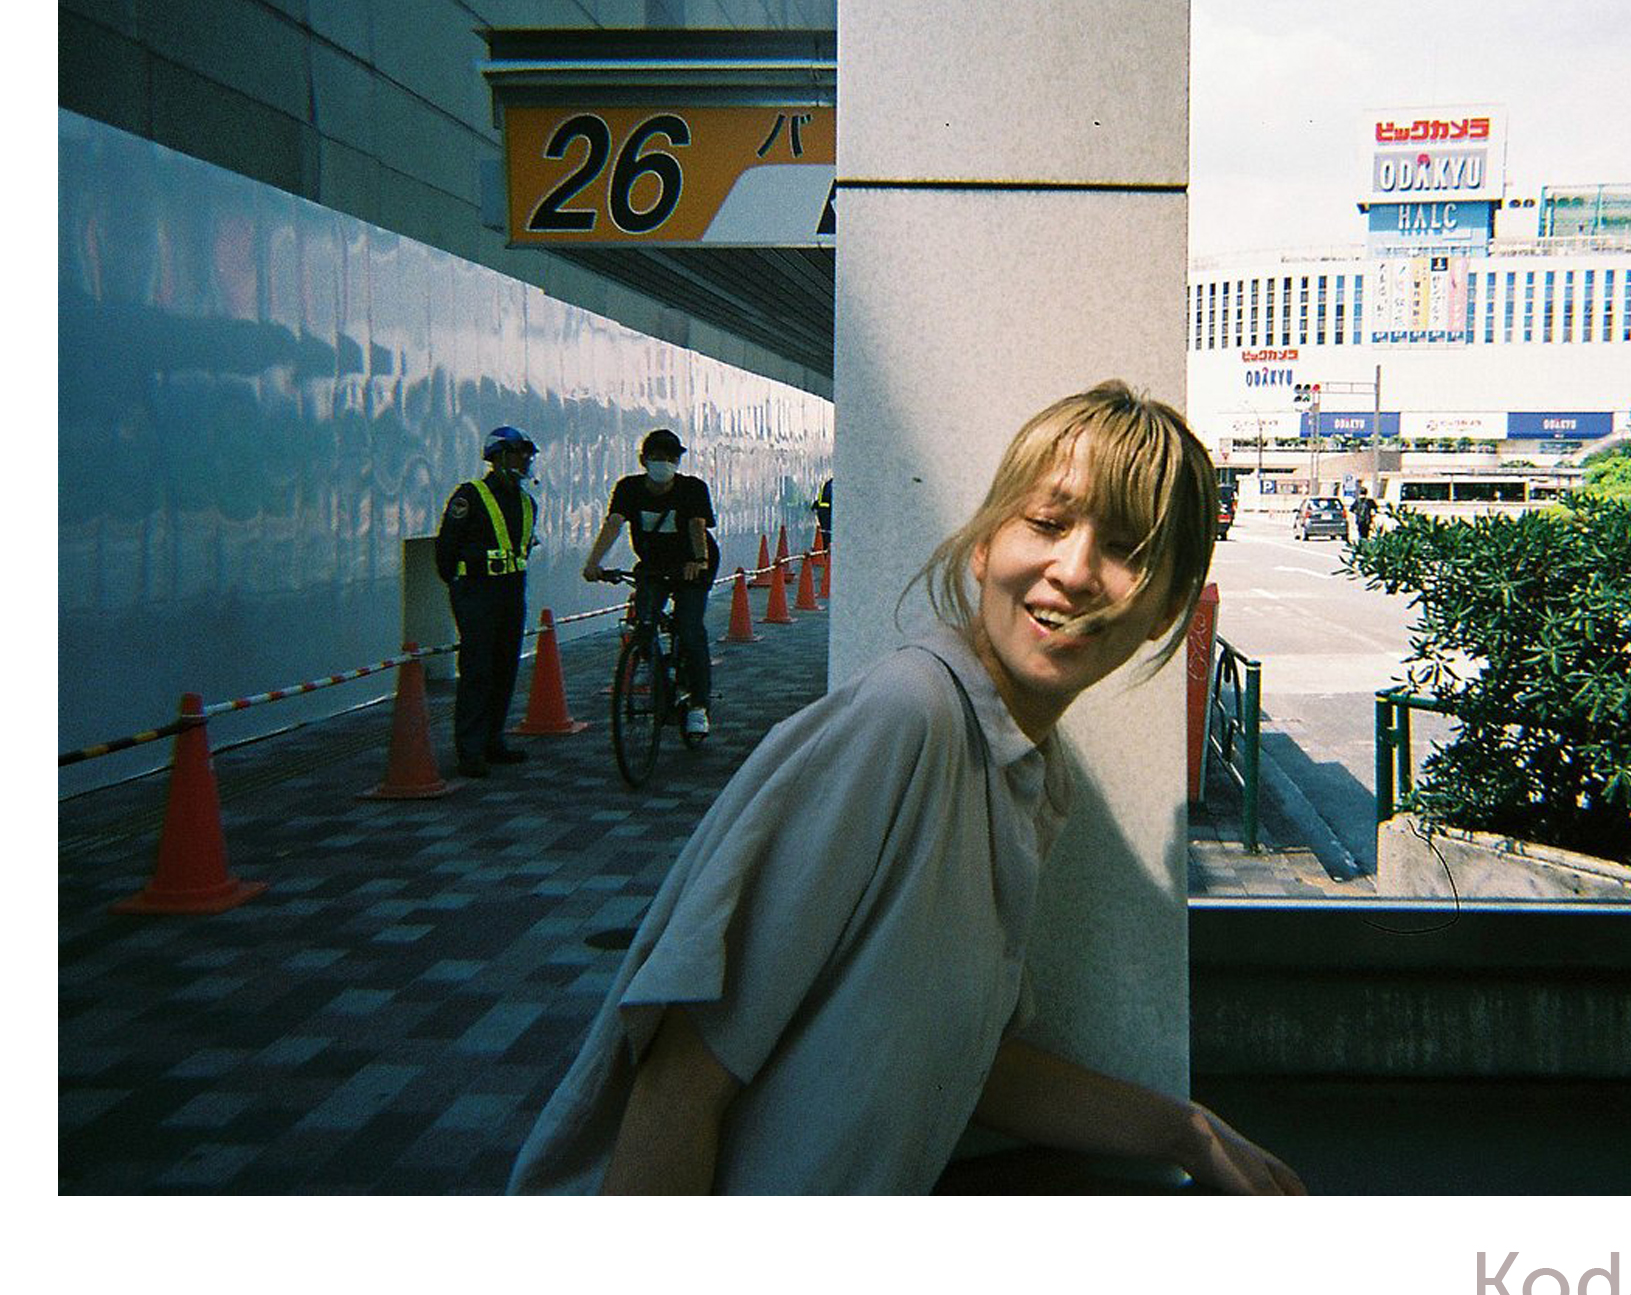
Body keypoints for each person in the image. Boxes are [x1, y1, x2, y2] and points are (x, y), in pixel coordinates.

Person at [509, 381, 1306, 1197]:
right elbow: (680, 1080)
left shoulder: (1027, 769)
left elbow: (958, 1063)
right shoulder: (908, 720)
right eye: (1047, 523)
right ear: (985, 546)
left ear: (1169, 607)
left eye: (1129, 549)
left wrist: (1184, 1131)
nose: (1073, 572)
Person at [582, 428, 719, 740]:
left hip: (693, 562)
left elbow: (697, 525)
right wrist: (594, 563)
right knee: (643, 624)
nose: (664, 463)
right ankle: (658, 670)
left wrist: (698, 561)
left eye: (671, 457)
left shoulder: (692, 489)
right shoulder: (629, 488)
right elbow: (614, 523)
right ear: (643, 460)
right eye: (657, 456)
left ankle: (699, 706)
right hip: (654, 564)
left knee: (690, 628)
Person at [435, 426, 538, 778]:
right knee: (477, 669)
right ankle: (470, 750)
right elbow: (447, 548)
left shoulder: (527, 502)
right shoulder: (470, 496)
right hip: (477, 592)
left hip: (512, 591)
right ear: (499, 456)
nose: (525, 460)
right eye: (519, 453)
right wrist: (460, 584)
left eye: (527, 454)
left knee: (505, 667)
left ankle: (494, 740)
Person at [811, 474, 833, 550]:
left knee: (825, 534)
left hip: (822, 512)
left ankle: (824, 548)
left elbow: (822, 498)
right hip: (827, 513)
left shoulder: (828, 484)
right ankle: (825, 549)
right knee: (827, 534)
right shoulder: (833, 485)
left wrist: (816, 505)